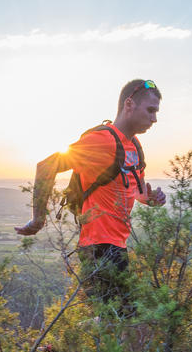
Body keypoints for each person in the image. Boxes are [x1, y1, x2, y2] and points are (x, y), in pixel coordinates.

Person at [15, 79, 167, 311]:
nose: (155, 119)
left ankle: (63, 347)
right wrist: (38, 218)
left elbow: (134, 191)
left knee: (117, 326)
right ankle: (51, 349)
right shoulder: (102, 140)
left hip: (118, 246)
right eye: (150, 110)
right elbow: (46, 166)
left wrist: (149, 199)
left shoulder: (134, 146)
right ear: (129, 104)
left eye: (156, 112)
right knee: (124, 325)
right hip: (98, 248)